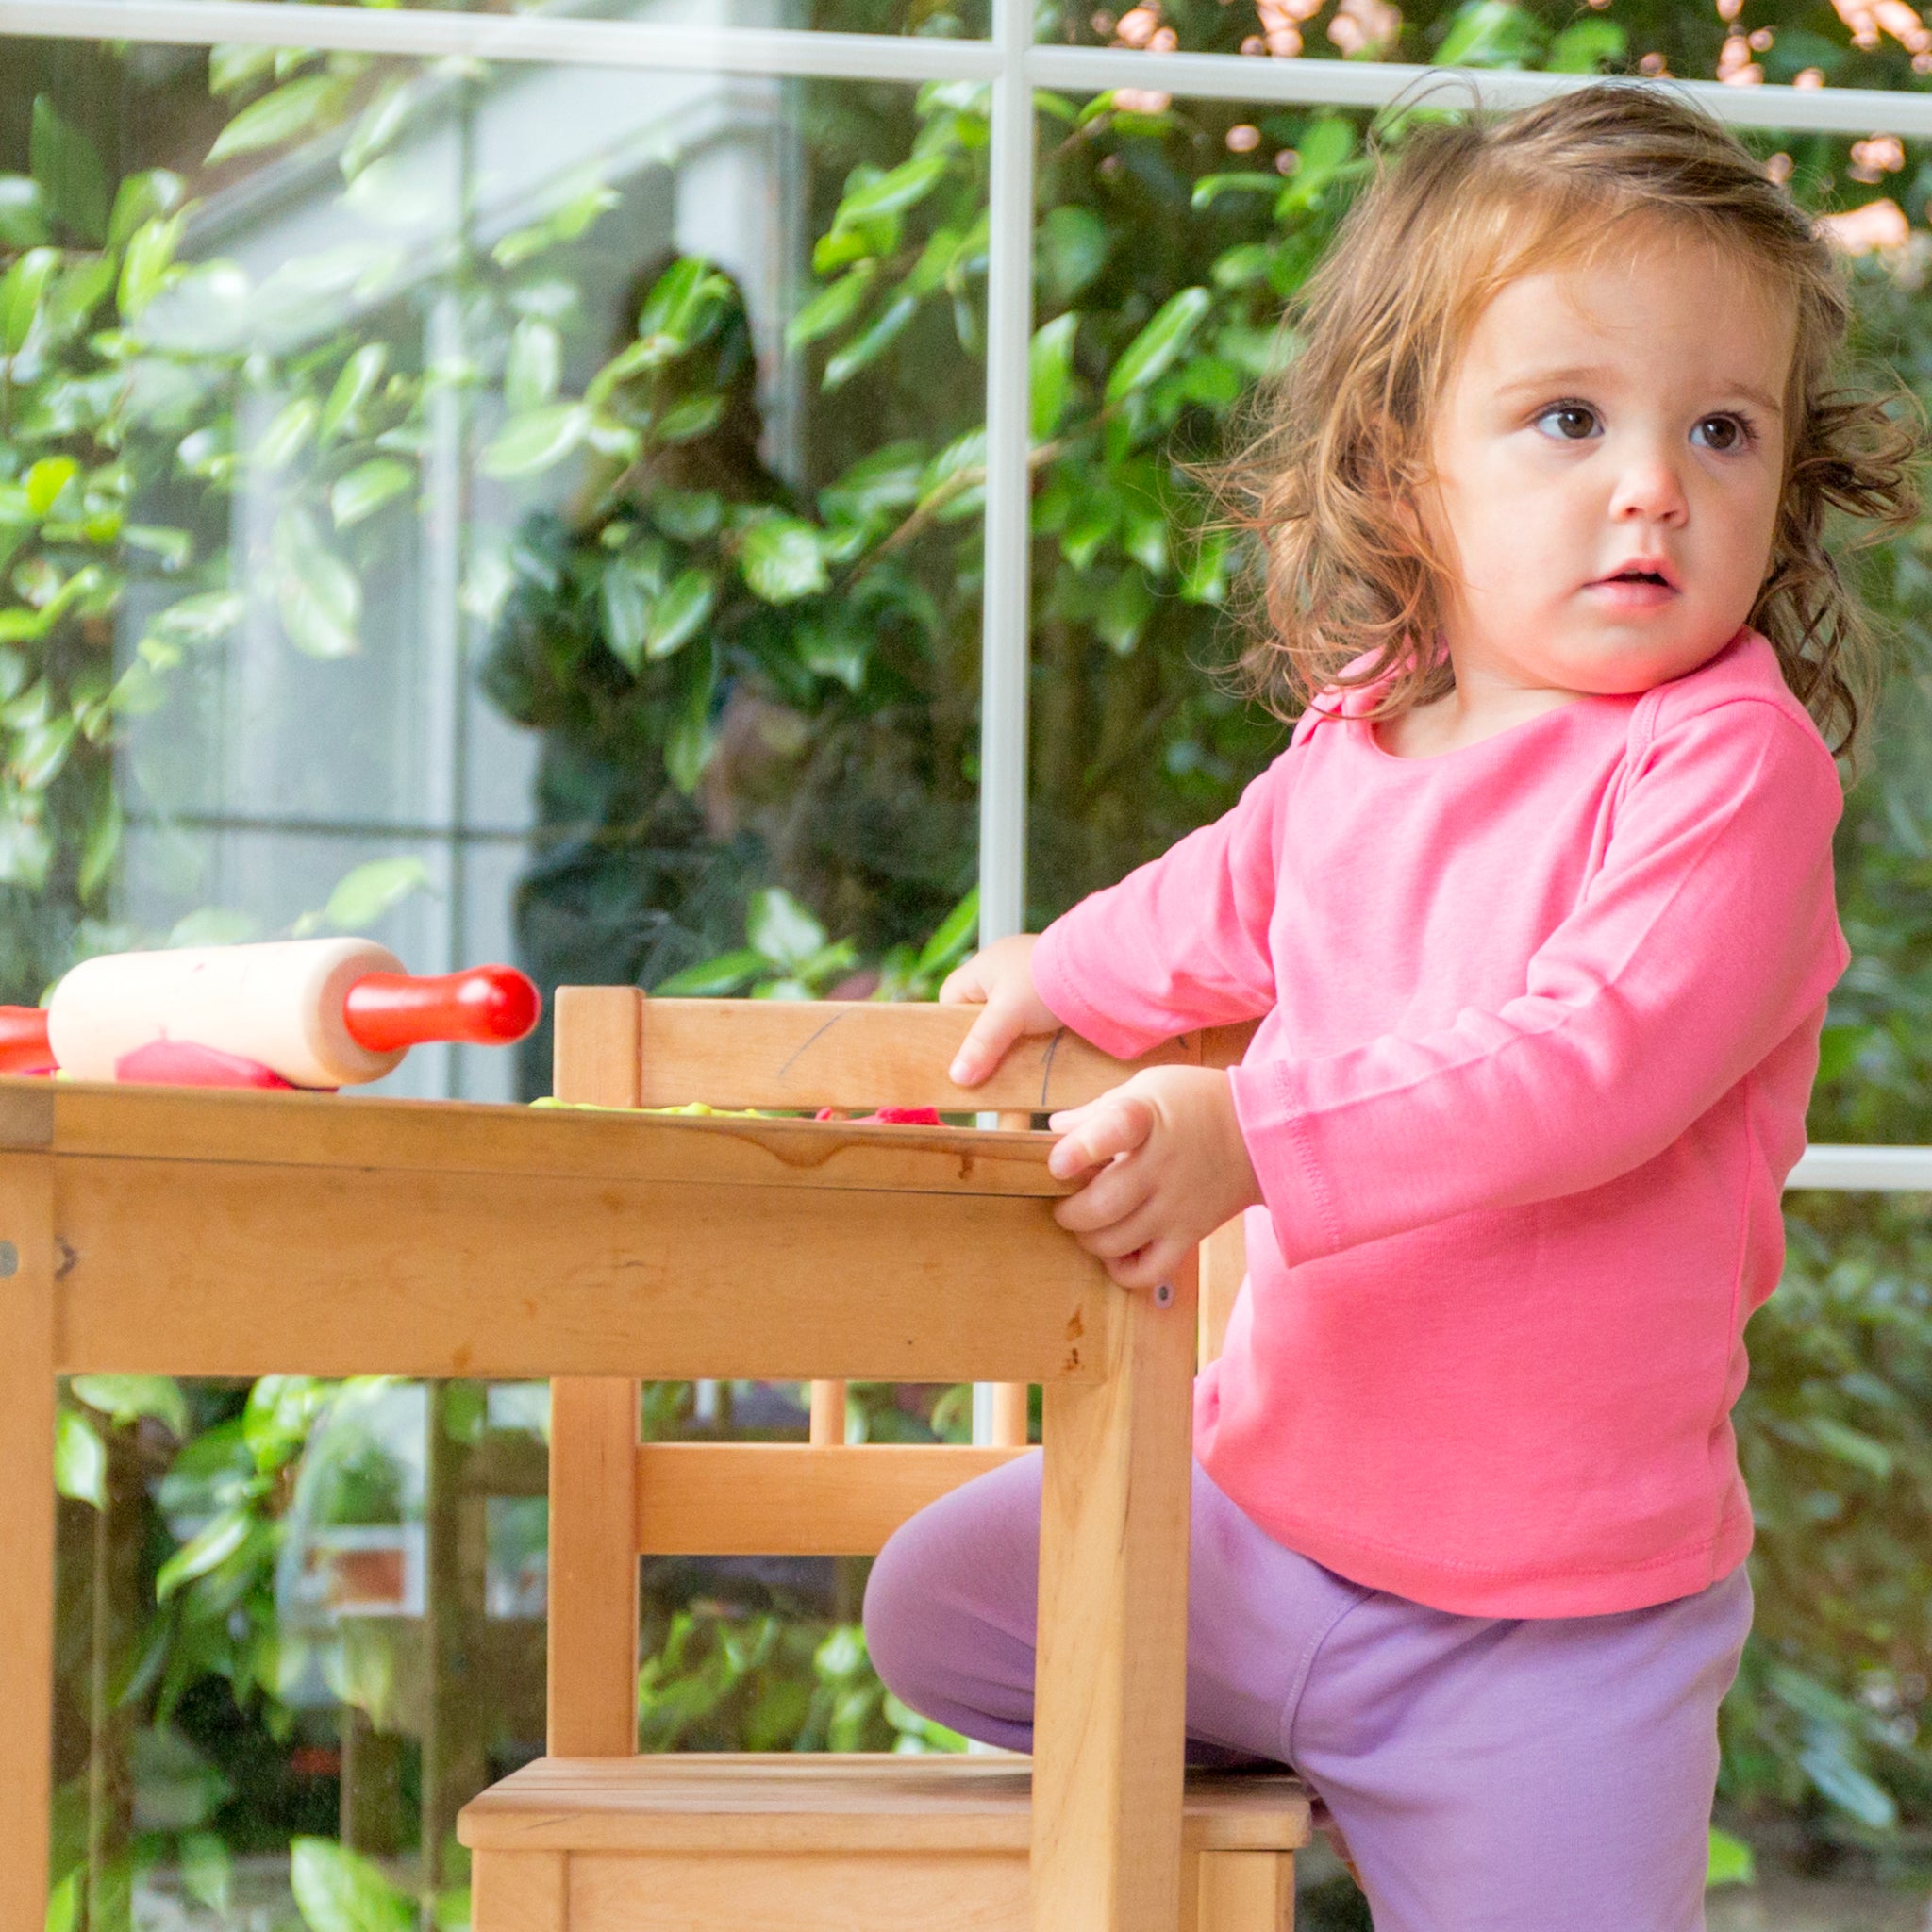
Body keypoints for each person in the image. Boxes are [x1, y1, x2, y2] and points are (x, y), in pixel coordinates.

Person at [860, 84, 1920, 1932]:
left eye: (1721, 428)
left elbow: (1579, 1067)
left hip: (1546, 1633)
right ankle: (1324, 1766)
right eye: (1568, 418)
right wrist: (1051, 972)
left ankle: (1419, 1793)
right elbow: (1219, 897)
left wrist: (1248, 1136)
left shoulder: (1727, 769)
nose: (1653, 482)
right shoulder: (1365, 729)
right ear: (1404, 467)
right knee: (935, 1601)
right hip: (1254, 1539)